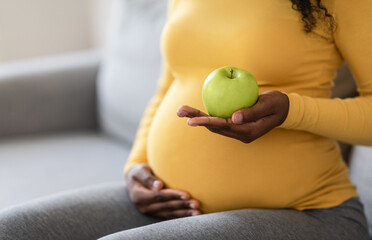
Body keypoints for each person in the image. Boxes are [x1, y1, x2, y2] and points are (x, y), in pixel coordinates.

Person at [1, 0, 371, 239]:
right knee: (13, 230)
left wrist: (292, 110)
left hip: (311, 215)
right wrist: (136, 166)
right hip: (172, 204)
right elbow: (169, 84)